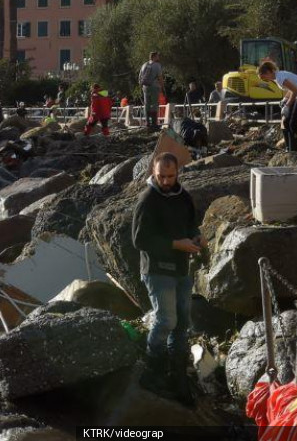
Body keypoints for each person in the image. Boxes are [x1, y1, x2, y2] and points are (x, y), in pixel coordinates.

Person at [132, 152, 203, 406]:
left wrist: (196, 237)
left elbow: (191, 224)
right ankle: (153, 371)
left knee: (182, 321)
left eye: (170, 176)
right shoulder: (147, 199)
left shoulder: (183, 196)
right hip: (157, 270)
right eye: (161, 176)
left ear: (177, 173)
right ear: (154, 171)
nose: (165, 180)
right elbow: (139, 241)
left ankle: (178, 375)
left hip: (181, 268)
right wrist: (176, 244)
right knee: (166, 320)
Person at [257, 61, 297, 152]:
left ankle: (295, 149)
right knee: (286, 121)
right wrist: (285, 99)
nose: (265, 80)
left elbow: (295, 91)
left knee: (293, 123)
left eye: (264, 77)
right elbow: (291, 89)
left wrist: (287, 105)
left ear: (268, 72)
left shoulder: (280, 78)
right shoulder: (277, 76)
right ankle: (289, 148)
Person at [138, 52, 164, 130]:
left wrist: (142, 87)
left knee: (147, 105)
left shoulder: (144, 65)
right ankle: (154, 123)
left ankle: (147, 123)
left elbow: (139, 77)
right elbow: (160, 77)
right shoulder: (157, 65)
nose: (158, 57)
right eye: (157, 56)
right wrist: (162, 86)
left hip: (145, 87)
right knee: (154, 104)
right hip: (154, 87)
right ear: (154, 57)